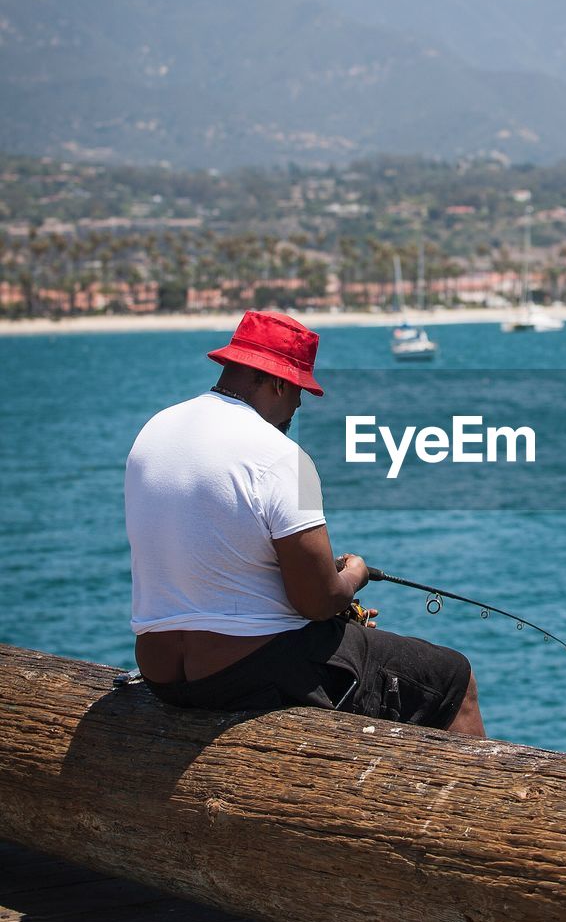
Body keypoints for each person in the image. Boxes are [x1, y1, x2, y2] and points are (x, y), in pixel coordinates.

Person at [125, 309, 485, 737]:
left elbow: (215, 562)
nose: (297, 406)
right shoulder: (277, 454)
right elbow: (315, 603)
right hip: (242, 676)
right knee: (452, 680)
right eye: (298, 391)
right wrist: (352, 577)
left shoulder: (156, 430)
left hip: (161, 673)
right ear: (278, 382)